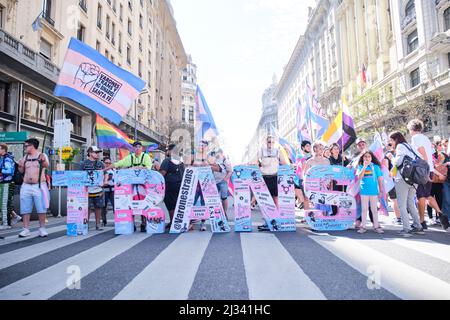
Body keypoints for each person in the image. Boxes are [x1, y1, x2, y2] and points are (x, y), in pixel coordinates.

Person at [107, 141, 153, 232]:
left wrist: (136, 168)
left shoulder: (146, 156)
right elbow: (118, 164)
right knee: (130, 204)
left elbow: (148, 168)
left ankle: (143, 223)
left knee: (143, 203)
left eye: (139, 147)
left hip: (143, 185)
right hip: (131, 186)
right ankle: (132, 223)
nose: (137, 148)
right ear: (133, 148)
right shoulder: (130, 158)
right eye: (135, 147)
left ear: (142, 148)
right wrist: (105, 168)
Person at [408, 119, 445, 230]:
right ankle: (440, 213)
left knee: (421, 196)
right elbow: (429, 154)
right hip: (429, 169)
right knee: (428, 195)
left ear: (412, 129)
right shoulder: (425, 138)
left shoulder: (415, 138)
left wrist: (423, 168)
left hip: (422, 170)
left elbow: (422, 152)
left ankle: (421, 222)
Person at [388, 131, 425, 237]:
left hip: (403, 179)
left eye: (391, 140)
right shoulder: (410, 145)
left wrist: (391, 158)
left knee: (402, 205)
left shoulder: (400, 146)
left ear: (395, 139)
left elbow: (397, 162)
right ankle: (418, 226)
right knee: (410, 203)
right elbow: (421, 157)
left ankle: (406, 229)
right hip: (414, 179)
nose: (391, 143)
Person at [17, 138, 50, 238]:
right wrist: (20, 166)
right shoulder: (25, 157)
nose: (25, 148)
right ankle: (26, 229)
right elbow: (22, 171)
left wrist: (42, 160)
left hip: (39, 185)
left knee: (41, 207)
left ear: (32, 146)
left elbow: (46, 165)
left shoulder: (42, 155)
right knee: (25, 208)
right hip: (26, 185)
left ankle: (42, 228)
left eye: (26, 146)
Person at [257, 136, 288, 231]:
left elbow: (284, 162)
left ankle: (276, 221)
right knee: (265, 201)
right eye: (269, 142)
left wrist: (288, 167)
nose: (270, 144)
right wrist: (259, 166)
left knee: (275, 201)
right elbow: (254, 161)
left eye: (272, 142)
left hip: (275, 177)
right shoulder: (261, 150)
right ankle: (266, 223)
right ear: (265, 142)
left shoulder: (278, 150)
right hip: (264, 177)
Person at [356, 151, 384, 234]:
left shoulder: (376, 167)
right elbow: (359, 177)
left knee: (374, 209)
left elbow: (380, 179)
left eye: (368, 156)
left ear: (371, 158)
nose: (367, 158)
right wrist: (364, 167)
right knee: (364, 209)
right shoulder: (360, 167)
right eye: (365, 156)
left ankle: (376, 226)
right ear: (362, 158)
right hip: (364, 191)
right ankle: (363, 226)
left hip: (374, 191)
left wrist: (381, 190)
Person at [82, 146, 108, 231]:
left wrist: (105, 181)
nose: (97, 154)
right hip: (87, 190)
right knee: (87, 207)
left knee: (98, 207)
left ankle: (98, 224)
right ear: (90, 153)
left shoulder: (101, 163)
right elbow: (79, 175)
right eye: (95, 152)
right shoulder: (84, 163)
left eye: (98, 153)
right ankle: (86, 224)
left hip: (98, 189)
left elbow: (106, 173)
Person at [160, 144, 185, 230]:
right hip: (180, 185)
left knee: (170, 204)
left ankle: (172, 222)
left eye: (168, 150)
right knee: (177, 204)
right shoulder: (181, 161)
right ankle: (177, 222)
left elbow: (162, 173)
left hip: (170, 185)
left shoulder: (167, 160)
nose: (167, 152)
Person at [0, 144, 21, 229]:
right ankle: (13, 217)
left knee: (4, 204)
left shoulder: (7, 159)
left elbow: (9, 171)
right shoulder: (5, 158)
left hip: (7, 183)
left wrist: (0, 170)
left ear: (3, 149)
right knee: (5, 203)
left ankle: (5, 223)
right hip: (5, 183)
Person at [210, 149, 232, 219]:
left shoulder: (226, 161)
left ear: (222, 153)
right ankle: (216, 213)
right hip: (215, 181)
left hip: (223, 182)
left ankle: (225, 213)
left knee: (224, 197)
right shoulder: (214, 160)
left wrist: (225, 179)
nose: (217, 155)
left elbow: (230, 171)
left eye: (218, 154)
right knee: (214, 198)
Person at [383, 144, 402, 225]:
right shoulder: (399, 154)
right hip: (400, 179)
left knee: (395, 199)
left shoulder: (387, 156)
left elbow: (386, 170)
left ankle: (398, 218)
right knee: (399, 199)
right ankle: (401, 217)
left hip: (392, 180)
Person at [102, 156, 115, 227]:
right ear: (103, 163)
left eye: (109, 163)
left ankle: (117, 220)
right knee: (104, 206)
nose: (108, 164)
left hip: (113, 190)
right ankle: (104, 221)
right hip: (105, 189)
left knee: (115, 205)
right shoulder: (102, 170)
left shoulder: (113, 169)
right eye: (106, 163)